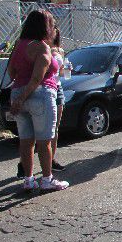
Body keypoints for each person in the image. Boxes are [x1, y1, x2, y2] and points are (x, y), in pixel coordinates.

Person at [9, 10, 69, 192]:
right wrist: (24, 96)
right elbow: (37, 78)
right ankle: (47, 179)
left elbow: (12, 72)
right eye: (51, 24)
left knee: (26, 141)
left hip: (18, 92)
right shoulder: (41, 47)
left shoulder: (19, 45)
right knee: (45, 141)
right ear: (45, 26)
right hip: (40, 94)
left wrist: (19, 98)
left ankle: (28, 180)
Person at [51, 29, 67, 170]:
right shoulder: (42, 47)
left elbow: (61, 72)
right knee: (41, 130)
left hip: (58, 87)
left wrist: (67, 69)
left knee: (55, 127)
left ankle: (52, 159)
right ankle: (24, 163)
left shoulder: (60, 50)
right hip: (45, 88)